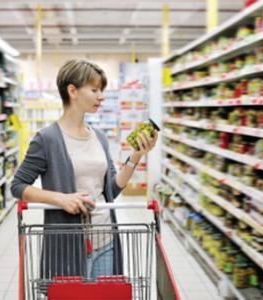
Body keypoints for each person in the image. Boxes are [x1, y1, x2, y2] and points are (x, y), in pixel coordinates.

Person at [11, 59, 158, 280]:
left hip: (105, 238)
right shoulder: (47, 139)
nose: (101, 96)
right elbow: (18, 186)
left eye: (102, 90)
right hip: (68, 245)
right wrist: (60, 199)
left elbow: (111, 189)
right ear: (73, 91)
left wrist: (136, 156)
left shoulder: (98, 137)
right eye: (94, 89)